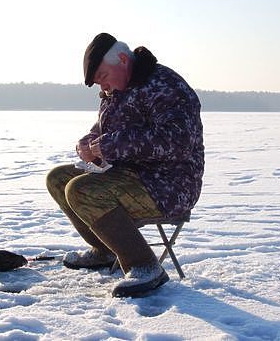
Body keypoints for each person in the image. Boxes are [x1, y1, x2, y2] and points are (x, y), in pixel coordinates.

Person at [46, 33, 204, 298]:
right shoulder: (117, 90)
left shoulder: (165, 86)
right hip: (129, 175)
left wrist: (112, 145)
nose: (104, 87)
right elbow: (104, 130)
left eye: (104, 77)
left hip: (169, 185)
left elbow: (178, 141)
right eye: (99, 83)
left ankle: (144, 266)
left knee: (82, 190)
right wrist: (89, 143)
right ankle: (105, 251)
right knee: (59, 178)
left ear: (122, 59)